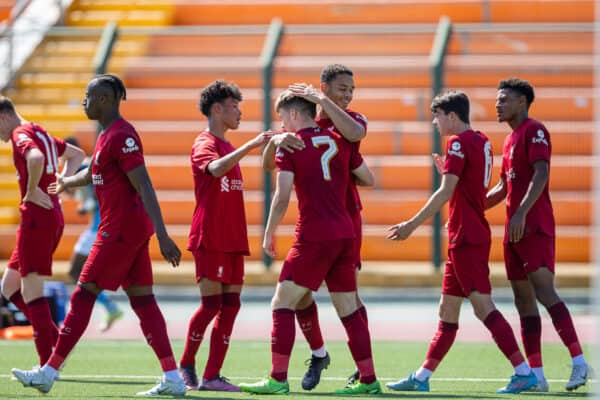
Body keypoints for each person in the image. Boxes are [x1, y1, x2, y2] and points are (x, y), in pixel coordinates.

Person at [11, 74, 186, 397]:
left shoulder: (122, 135)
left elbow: (144, 184)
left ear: (105, 99)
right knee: (144, 301)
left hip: (120, 230)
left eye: (88, 96)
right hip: (127, 229)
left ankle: (48, 372)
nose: (84, 101)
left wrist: (163, 234)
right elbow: (94, 171)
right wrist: (66, 183)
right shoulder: (108, 135)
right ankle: (173, 377)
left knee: (83, 294)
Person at [386, 91, 537, 394]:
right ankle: (422, 377)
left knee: (483, 307)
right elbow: (469, 188)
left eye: (437, 116)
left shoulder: (457, 143)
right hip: (466, 233)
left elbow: (444, 192)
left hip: (466, 237)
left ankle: (524, 372)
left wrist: (411, 225)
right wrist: (450, 175)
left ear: (451, 116)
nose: (434, 122)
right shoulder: (481, 140)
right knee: (447, 310)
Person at [239, 90, 381, 395]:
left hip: (313, 235)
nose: (282, 126)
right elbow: (367, 177)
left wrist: (268, 232)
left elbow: (282, 195)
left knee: (282, 303)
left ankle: (277, 378)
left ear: (292, 114)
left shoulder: (292, 146)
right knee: (348, 309)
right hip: (345, 233)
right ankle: (369, 380)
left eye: (282, 118)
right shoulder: (340, 138)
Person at [263, 63, 370, 390]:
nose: (348, 95)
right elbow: (367, 176)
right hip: (340, 224)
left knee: (301, 298)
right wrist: (279, 139)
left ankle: (281, 376)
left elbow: (356, 134)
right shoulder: (313, 130)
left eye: (351, 89)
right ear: (323, 88)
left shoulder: (348, 121)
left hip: (332, 223)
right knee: (312, 297)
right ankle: (326, 356)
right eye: (342, 89)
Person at [486, 77, 592, 391]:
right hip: (514, 230)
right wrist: (473, 206)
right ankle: (537, 375)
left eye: (504, 99)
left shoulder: (535, 130)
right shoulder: (508, 140)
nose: (498, 103)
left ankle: (580, 362)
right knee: (523, 301)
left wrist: (520, 211)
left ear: (522, 102)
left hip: (534, 226)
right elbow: (504, 186)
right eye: (498, 99)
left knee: (546, 293)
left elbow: (541, 173)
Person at [178, 80, 271, 392]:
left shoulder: (229, 146)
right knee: (210, 306)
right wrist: (251, 146)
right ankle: (186, 364)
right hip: (211, 237)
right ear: (217, 109)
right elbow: (214, 170)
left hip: (232, 239)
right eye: (234, 107)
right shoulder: (204, 143)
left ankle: (212, 376)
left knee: (231, 307)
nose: (239, 112)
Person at [0, 96, 85, 367]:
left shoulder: (20, 133)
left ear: (3, 117)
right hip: (51, 216)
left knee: (31, 291)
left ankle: (46, 364)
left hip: (37, 219)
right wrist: (63, 180)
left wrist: (32, 189)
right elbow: (77, 155)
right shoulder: (39, 131)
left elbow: (34, 158)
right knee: (9, 286)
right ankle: (57, 341)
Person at [64, 136, 123, 333]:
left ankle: (104, 308)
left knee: (77, 272)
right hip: (99, 227)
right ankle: (108, 307)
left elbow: (98, 196)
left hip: (98, 229)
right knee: (85, 275)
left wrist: (86, 206)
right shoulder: (87, 165)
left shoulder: (83, 167)